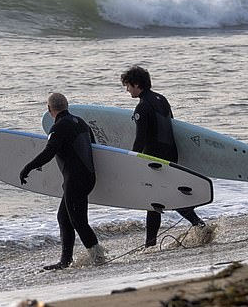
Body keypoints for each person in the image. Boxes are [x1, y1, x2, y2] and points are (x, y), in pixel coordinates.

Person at [120, 66, 205, 248]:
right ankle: (199, 225)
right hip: (170, 153)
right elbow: (173, 128)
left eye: (128, 86)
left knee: (154, 201)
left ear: (136, 85)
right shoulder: (162, 99)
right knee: (166, 194)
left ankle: (150, 245)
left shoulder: (142, 106)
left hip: (154, 158)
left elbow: (140, 139)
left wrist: (132, 160)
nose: (127, 90)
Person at [19, 93, 105, 270]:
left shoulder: (58, 128)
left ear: (49, 109)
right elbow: (96, 148)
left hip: (75, 180)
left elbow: (49, 152)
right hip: (87, 177)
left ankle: (98, 257)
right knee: (64, 218)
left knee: (78, 221)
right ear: (67, 106)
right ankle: (66, 260)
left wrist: (28, 167)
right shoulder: (81, 123)